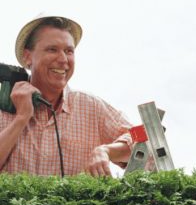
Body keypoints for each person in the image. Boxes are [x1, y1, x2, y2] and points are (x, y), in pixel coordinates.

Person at [0, 14, 133, 177]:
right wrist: (21, 118)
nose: (63, 59)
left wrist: (106, 150)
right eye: (52, 49)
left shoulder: (91, 107)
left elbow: (144, 139)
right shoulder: (3, 106)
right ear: (28, 57)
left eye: (69, 51)